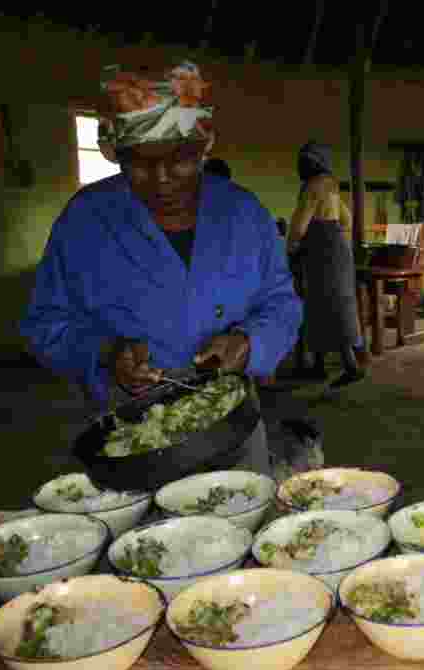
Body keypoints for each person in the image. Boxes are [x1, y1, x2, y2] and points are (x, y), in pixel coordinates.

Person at [20, 59, 303, 478]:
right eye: (140, 162)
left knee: (240, 522)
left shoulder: (244, 214)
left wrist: (248, 342)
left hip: (232, 424)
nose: (162, 177)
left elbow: (282, 305)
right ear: (116, 153)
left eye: (180, 159)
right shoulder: (86, 221)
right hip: (130, 435)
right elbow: (45, 325)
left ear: (205, 148)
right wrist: (106, 352)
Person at [286, 141, 366, 390]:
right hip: (339, 249)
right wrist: (333, 236)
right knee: (337, 305)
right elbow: (346, 219)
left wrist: (291, 249)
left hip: (320, 252)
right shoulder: (331, 186)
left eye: (304, 161)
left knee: (321, 306)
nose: (301, 166)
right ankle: (333, 365)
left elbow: (299, 226)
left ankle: (344, 367)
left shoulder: (311, 187)